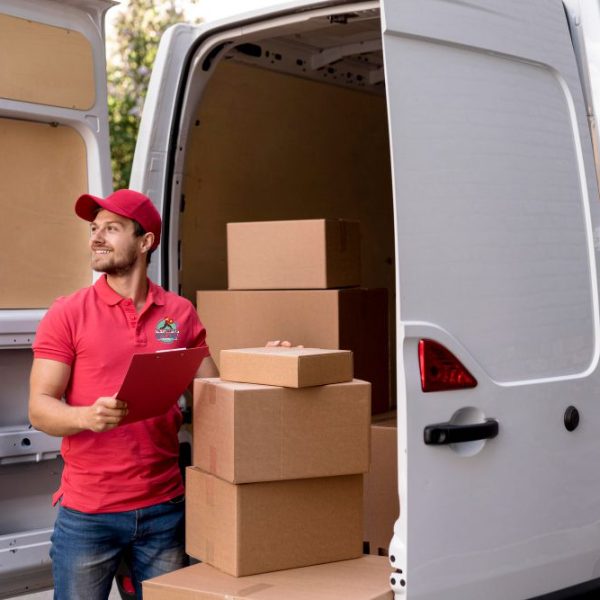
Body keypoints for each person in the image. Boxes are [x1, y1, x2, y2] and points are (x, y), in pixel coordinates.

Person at [28, 189, 219, 600]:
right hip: (88, 515)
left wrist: (266, 363)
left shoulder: (179, 313)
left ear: (145, 241)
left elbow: (214, 393)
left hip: (164, 509)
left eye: (111, 229)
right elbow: (40, 409)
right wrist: (85, 417)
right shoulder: (68, 312)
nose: (96, 237)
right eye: (94, 229)